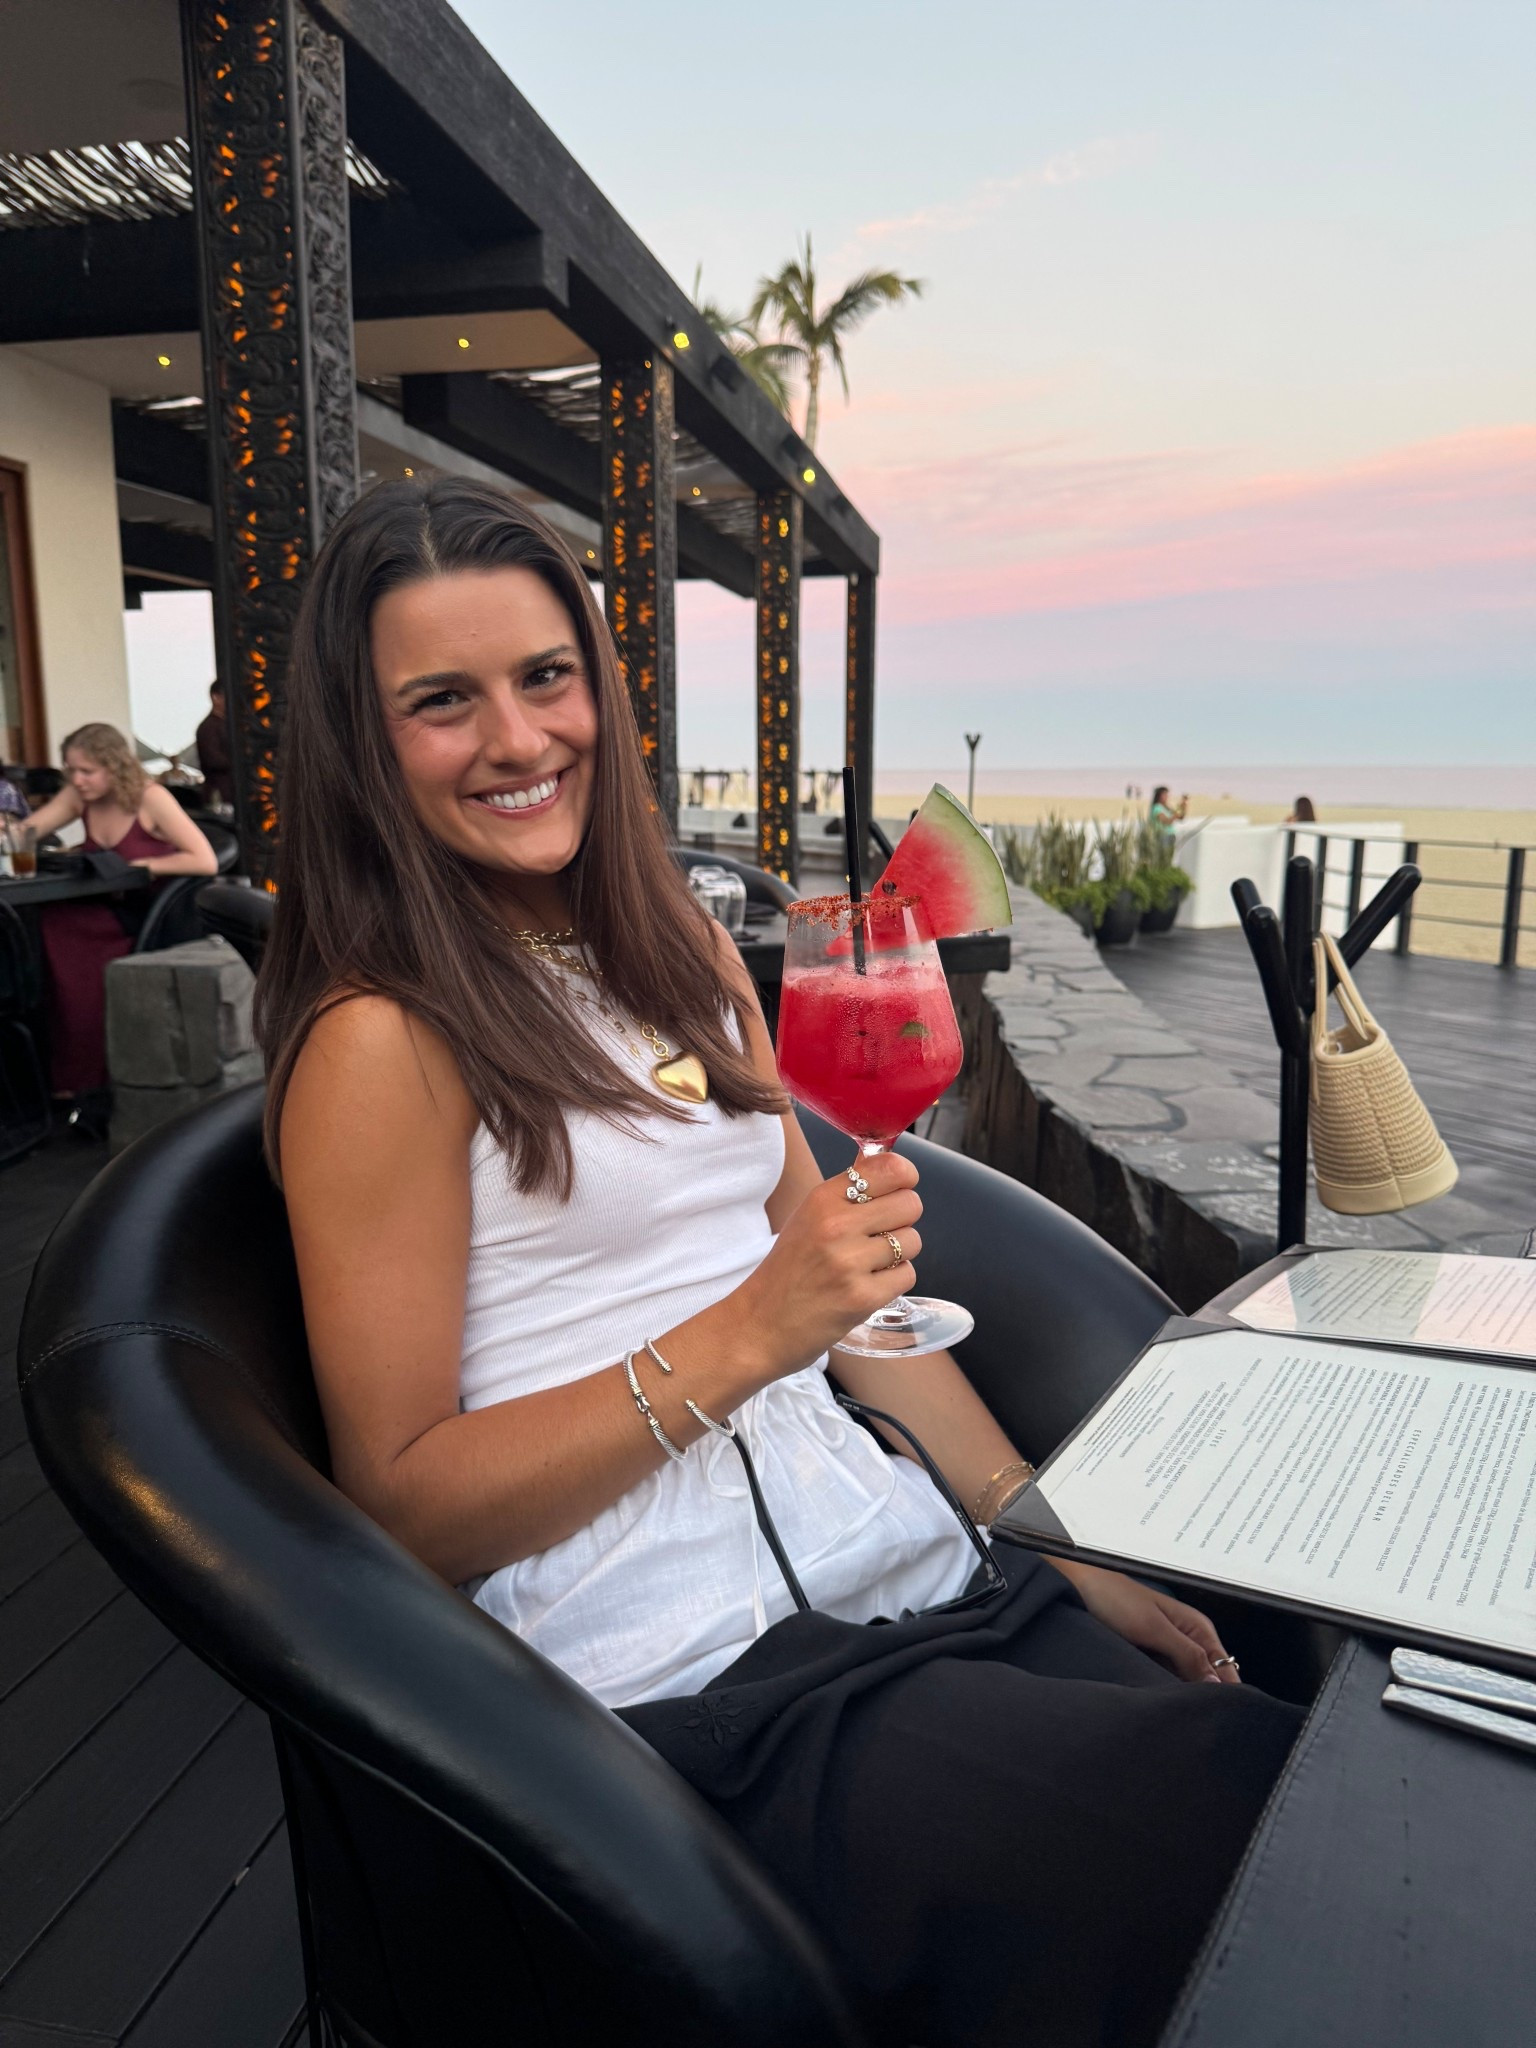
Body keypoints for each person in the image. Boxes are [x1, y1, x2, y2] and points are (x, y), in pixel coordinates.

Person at [261, 479, 1301, 2048]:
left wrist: (1051, 1533)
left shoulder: (671, 946)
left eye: (547, 677)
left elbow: (849, 1296)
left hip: (912, 1571)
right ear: (363, 739)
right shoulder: (380, 1041)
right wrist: (752, 1332)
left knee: (1293, 1767)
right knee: (1246, 1853)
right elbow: (401, 1508)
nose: (520, 738)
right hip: (696, 1680)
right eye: (441, 703)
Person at [27, 722, 218, 1103]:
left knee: (57, 930)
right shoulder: (80, 796)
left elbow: (205, 859)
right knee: (43, 923)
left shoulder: (151, 798)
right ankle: (68, 1073)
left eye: (86, 771)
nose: (77, 780)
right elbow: (29, 830)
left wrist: (144, 866)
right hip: (103, 906)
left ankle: (88, 1077)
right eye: (71, 770)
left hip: (147, 913)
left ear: (113, 767)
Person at [195, 680, 236, 807]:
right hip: (220, 794)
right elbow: (213, 759)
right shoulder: (208, 728)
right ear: (216, 697)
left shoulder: (230, 725)